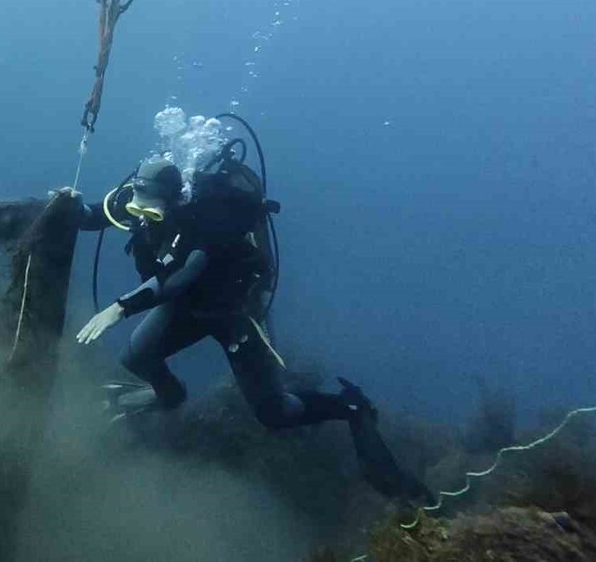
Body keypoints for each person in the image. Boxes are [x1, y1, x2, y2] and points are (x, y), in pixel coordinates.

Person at [75, 159, 430, 502]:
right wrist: (67, 205)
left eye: (151, 215)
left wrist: (119, 308)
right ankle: (169, 396)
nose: (143, 220)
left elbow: (176, 276)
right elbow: (94, 215)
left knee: (274, 412)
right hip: (187, 307)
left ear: (172, 201)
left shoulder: (204, 223)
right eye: (137, 213)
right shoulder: (137, 200)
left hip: (231, 314)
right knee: (136, 356)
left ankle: (351, 407)